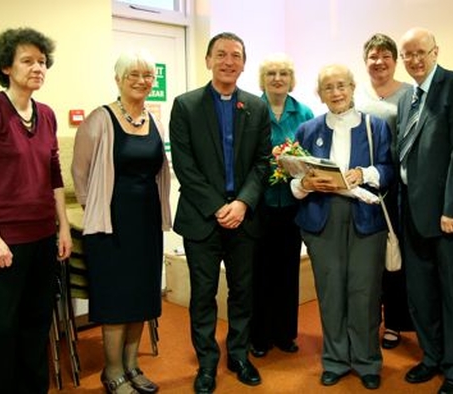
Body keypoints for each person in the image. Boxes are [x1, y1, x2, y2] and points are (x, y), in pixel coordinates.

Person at [0, 27, 72, 393]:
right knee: (2, 331)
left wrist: (64, 228)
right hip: (4, 242)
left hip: (43, 239)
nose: (37, 67)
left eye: (42, 61)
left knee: (36, 325)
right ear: (6, 66)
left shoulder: (47, 114)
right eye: (28, 60)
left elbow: (54, 172)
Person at [169, 32, 271, 394]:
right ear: (208, 59)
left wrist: (242, 202)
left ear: (244, 63)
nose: (229, 62)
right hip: (201, 218)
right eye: (222, 55)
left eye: (237, 56)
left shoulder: (256, 108)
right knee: (203, 293)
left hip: (244, 216)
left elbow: (262, 162)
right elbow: (185, 165)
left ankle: (239, 355)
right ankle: (207, 363)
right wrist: (217, 207)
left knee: (243, 291)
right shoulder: (185, 105)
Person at [71, 50, 171, 394]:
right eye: (134, 75)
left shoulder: (153, 119)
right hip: (110, 226)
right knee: (116, 299)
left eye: (148, 76)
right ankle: (112, 370)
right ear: (118, 79)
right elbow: (79, 173)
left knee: (142, 295)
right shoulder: (99, 119)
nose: (142, 81)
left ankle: (132, 365)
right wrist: (94, 207)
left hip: (145, 224)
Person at [291, 64, 393, 390]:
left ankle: (366, 362)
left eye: (341, 86)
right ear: (320, 95)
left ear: (352, 87)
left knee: (364, 293)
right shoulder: (307, 130)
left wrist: (364, 174)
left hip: (366, 217)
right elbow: (294, 179)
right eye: (328, 88)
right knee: (331, 291)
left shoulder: (375, 127)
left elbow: (389, 169)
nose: (336, 93)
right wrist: (305, 183)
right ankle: (335, 360)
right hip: (322, 218)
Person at [396, 27, 453, 394]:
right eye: (408, 55)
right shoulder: (406, 98)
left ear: (436, 51)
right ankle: (432, 357)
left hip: (450, 217)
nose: (415, 60)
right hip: (412, 212)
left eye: (421, 52)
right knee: (421, 293)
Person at [249, 53, 314, 359]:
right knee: (259, 271)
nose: (277, 78)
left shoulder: (304, 113)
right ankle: (259, 335)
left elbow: (313, 157)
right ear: (263, 79)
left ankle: (285, 333)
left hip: (291, 204)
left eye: (283, 73)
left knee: (287, 271)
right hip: (258, 204)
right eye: (271, 73)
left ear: (291, 79)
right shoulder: (250, 108)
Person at [354, 32, 414, 350]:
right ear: (366, 61)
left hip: (397, 187)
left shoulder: (409, 93)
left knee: (394, 255)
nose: (379, 62)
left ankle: (394, 323)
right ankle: (368, 320)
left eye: (385, 56)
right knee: (368, 259)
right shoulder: (357, 94)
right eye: (373, 57)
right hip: (363, 186)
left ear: (395, 60)